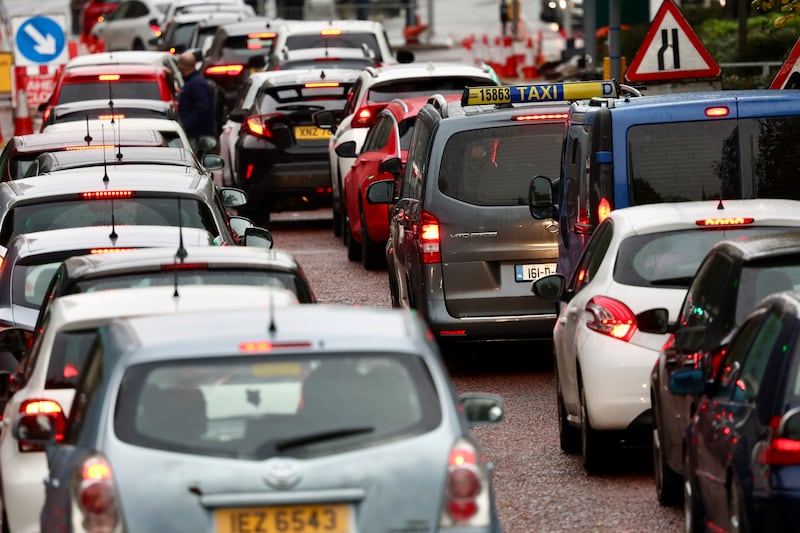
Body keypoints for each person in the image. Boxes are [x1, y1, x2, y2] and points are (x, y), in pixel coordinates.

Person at [176, 51, 216, 152]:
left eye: (179, 63)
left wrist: (186, 125)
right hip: (195, 133)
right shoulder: (193, 82)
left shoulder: (196, 83)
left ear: (182, 66)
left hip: (197, 135)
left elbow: (202, 108)